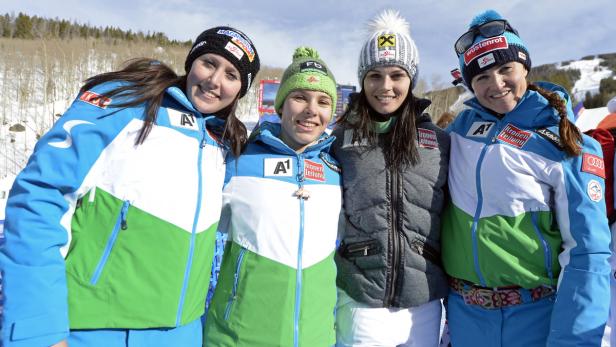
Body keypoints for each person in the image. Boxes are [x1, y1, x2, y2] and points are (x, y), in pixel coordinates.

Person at [0, 26, 260, 347]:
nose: (215, 80)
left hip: (182, 333)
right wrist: (37, 326)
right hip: (92, 328)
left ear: (240, 90)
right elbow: (39, 197)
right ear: (191, 62)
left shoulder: (225, 141)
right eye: (209, 63)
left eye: (231, 74)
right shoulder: (128, 101)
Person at [441, 9, 611, 346]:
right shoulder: (459, 130)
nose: (496, 84)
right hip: (465, 318)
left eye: (506, 69)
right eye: (482, 77)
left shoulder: (566, 143)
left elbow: (588, 254)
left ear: (525, 68)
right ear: (470, 83)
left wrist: (572, 340)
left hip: (534, 319)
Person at [203, 47, 342, 347]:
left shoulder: (337, 172)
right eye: (300, 97)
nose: (311, 110)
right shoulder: (237, 161)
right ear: (281, 105)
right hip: (238, 336)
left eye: (323, 101)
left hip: (315, 337)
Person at [331, 10, 450, 347]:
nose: (386, 87)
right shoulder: (341, 139)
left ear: (411, 79)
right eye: (375, 76)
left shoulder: (439, 142)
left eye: (397, 75)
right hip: (360, 299)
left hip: (423, 303)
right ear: (362, 80)